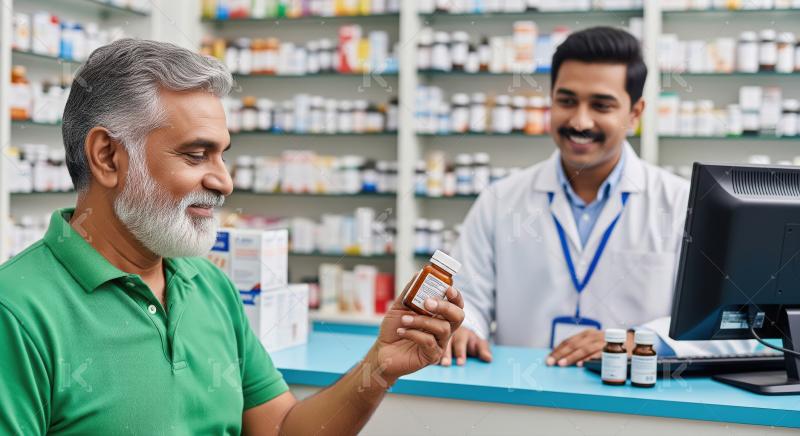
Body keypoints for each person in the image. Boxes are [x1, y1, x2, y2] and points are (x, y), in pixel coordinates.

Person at [0, 39, 464, 435]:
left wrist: (378, 367)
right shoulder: (17, 312)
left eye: (222, 156)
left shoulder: (208, 284)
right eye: (196, 155)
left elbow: (281, 429)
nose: (224, 181)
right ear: (107, 157)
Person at [441, 26, 690, 368]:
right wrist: (464, 327)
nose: (579, 120)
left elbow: (718, 326)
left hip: (635, 401)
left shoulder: (680, 203)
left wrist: (639, 340)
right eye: (567, 101)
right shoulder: (500, 200)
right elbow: (465, 295)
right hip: (520, 397)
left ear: (634, 113)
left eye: (601, 105)